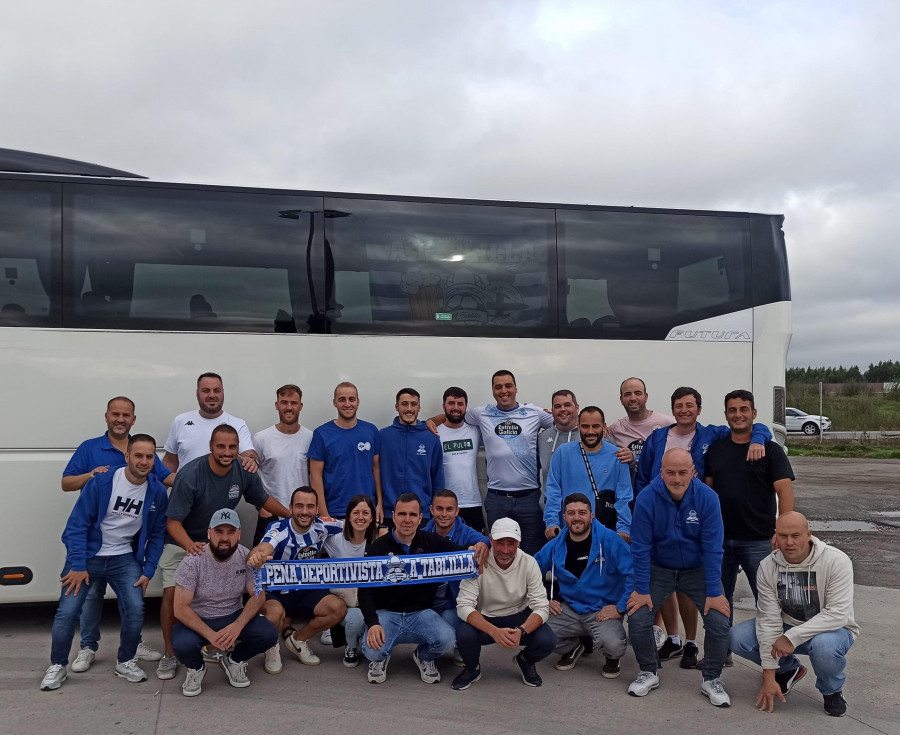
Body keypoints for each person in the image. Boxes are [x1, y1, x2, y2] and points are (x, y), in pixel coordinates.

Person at [634, 386, 771, 668]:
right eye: (679, 406)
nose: (684, 410)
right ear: (672, 410)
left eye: (690, 405)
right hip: (661, 513)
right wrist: (641, 507)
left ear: (699, 409)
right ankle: (673, 638)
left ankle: (693, 643)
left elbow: (750, 427)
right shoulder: (659, 436)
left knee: (694, 588)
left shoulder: (712, 434)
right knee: (662, 585)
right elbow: (644, 476)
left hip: (696, 521)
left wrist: (759, 438)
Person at [156, 424, 289, 681]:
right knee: (172, 596)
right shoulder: (190, 475)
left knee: (232, 592)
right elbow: (172, 522)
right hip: (183, 538)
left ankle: (224, 645)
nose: (227, 452)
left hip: (220, 538)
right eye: (221, 446)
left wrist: (291, 516)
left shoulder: (243, 470)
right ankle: (170, 654)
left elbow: (263, 500)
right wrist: (190, 546)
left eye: (232, 447)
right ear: (210, 447)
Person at [40, 435, 168, 691]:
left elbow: (156, 535)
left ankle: (126, 660)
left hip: (123, 558)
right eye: (138, 455)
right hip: (87, 557)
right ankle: (57, 666)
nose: (144, 461)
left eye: (149, 456)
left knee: (135, 608)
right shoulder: (102, 481)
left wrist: (149, 569)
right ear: (127, 456)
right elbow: (76, 525)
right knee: (67, 612)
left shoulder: (156, 491)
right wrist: (77, 564)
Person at [61, 397, 172, 671]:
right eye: (115, 414)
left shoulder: (143, 450)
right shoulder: (90, 448)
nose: (120, 419)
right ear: (107, 417)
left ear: (133, 419)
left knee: (131, 601)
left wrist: (197, 484)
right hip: (95, 543)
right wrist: (92, 476)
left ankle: (133, 646)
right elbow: (66, 483)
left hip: (127, 546)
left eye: (126, 415)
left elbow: (166, 478)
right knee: (91, 596)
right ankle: (88, 647)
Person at [626, 448, 732, 707]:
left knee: (720, 621)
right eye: (670, 472)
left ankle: (712, 678)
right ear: (661, 472)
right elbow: (640, 547)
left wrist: (714, 592)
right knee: (638, 617)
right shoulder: (647, 498)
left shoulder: (708, 498)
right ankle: (649, 671)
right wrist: (641, 588)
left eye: (682, 472)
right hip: (658, 568)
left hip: (697, 570)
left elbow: (713, 547)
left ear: (693, 472)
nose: (676, 479)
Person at [731, 512, 859, 718]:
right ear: (775, 536)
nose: (789, 542)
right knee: (738, 638)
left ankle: (832, 691)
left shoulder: (836, 560)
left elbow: (837, 614)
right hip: (787, 628)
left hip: (832, 630)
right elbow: (768, 619)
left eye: (796, 535)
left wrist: (791, 637)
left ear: (809, 534)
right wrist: (769, 675)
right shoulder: (767, 566)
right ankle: (788, 670)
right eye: (782, 536)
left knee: (824, 647)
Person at [359, 494, 488, 685]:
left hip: (421, 614)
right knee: (373, 651)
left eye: (412, 514)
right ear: (393, 516)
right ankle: (380, 658)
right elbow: (365, 590)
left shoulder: (432, 541)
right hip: (387, 613)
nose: (407, 519)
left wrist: (479, 545)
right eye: (402, 514)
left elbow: (460, 552)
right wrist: (373, 623)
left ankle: (423, 656)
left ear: (420, 518)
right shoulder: (377, 547)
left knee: (446, 640)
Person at [429, 370, 553, 555]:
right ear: (493, 391)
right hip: (497, 499)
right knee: (498, 554)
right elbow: (455, 413)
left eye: (508, 385)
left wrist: (600, 425)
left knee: (532, 555)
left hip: (529, 498)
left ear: (516, 388)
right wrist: (432, 420)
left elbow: (565, 421)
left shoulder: (534, 413)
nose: (504, 391)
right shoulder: (481, 414)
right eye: (498, 387)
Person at [704, 390, 795, 619]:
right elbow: (708, 492)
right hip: (720, 541)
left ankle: (774, 653)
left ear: (753, 413)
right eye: (732, 410)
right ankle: (721, 655)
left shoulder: (771, 451)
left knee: (768, 602)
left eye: (744, 409)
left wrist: (783, 531)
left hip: (760, 541)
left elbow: (784, 492)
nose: (738, 415)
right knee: (719, 604)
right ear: (726, 415)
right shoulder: (716, 450)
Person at [172, 508, 278, 697]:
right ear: (209, 533)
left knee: (268, 634)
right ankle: (196, 669)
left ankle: (234, 661)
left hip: (232, 614)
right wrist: (211, 636)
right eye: (219, 531)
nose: (225, 538)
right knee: (181, 644)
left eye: (231, 532)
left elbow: (258, 595)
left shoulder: (246, 556)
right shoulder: (193, 560)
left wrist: (237, 626)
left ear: (239, 534)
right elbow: (180, 608)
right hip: (201, 617)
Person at [247, 486, 347, 674]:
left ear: (317, 509)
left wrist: (379, 529)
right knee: (273, 615)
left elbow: (355, 523)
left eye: (310, 507)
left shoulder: (322, 525)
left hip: (306, 591)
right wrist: (256, 556)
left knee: (338, 608)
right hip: (276, 591)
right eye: (299, 506)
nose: (304, 512)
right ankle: (271, 647)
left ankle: (298, 639)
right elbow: (264, 546)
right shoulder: (278, 529)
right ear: (291, 508)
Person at [535, 493, 632, 678]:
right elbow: (530, 570)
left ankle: (612, 657)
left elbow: (634, 574)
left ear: (591, 515)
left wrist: (620, 608)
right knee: (537, 633)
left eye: (582, 512)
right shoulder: (556, 545)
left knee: (614, 644)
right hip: (569, 609)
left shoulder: (610, 540)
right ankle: (573, 647)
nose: (577, 517)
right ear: (564, 517)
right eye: (571, 513)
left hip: (601, 611)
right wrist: (543, 600)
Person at [453, 518, 555, 690]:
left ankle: (525, 660)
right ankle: (472, 668)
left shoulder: (529, 563)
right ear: (491, 540)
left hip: (518, 616)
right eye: (500, 543)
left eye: (511, 543)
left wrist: (521, 631)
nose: (505, 550)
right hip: (486, 616)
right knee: (464, 633)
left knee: (547, 640)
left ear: (519, 543)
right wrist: (494, 632)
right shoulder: (477, 561)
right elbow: (464, 606)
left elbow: (541, 606)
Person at [543, 406, 633, 542]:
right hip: (570, 533)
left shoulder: (618, 456)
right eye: (585, 426)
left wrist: (624, 529)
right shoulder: (562, 453)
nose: (590, 432)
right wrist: (552, 523)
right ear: (578, 426)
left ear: (604, 427)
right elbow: (553, 492)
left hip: (605, 533)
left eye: (596, 426)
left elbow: (624, 497)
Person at [308, 381, 383, 521]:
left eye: (351, 399)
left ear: (358, 402)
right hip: (335, 511)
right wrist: (324, 514)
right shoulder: (321, 434)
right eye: (342, 399)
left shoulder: (371, 431)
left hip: (367, 510)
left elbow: (376, 468)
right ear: (334, 402)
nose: (347, 404)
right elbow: (315, 476)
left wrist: (379, 504)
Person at [321, 495, 381, 668]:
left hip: (370, 600)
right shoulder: (335, 540)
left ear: (372, 518)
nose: (360, 517)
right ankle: (351, 645)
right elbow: (312, 531)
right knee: (356, 619)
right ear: (347, 517)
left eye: (365, 513)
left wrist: (382, 527)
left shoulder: (379, 541)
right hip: (344, 602)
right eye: (355, 513)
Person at [251, 384, 314, 546]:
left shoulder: (311, 437)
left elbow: (316, 476)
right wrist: (260, 505)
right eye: (284, 402)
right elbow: (249, 477)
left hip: (303, 516)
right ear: (277, 405)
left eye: (293, 403)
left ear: (301, 406)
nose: (289, 407)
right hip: (270, 517)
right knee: (262, 567)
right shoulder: (262, 438)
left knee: (303, 570)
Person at [423, 489, 490, 633]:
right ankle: (425, 652)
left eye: (449, 509)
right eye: (439, 509)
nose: (444, 514)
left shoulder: (465, 531)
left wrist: (483, 544)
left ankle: (459, 644)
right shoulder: (422, 534)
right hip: (426, 601)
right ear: (432, 510)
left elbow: (485, 540)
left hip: (453, 602)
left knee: (452, 627)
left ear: (457, 511)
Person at [162, 372, 258, 472]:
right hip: (187, 486)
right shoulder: (181, 421)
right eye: (206, 391)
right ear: (197, 393)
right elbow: (170, 462)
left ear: (223, 393)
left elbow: (249, 454)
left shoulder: (238, 424)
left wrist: (251, 460)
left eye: (217, 391)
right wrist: (162, 485)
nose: (212, 395)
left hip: (222, 486)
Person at [378, 388, 444, 522]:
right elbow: (375, 474)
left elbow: (438, 478)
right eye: (404, 404)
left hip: (421, 514)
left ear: (419, 407)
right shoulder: (382, 436)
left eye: (413, 404)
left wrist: (436, 510)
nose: (409, 408)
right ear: (397, 406)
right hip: (390, 513)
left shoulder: (431, 439)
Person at [437, 387, 484, 532]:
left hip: (472, 502)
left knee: (475, 551)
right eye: (451, 403)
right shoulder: (435, 432)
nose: (455, 408)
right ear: (444, 406)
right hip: (445, 506)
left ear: (466, 407)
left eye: (460, 404)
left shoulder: (475, 430)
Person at [605, 377, 675, 470]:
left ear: (646, 397)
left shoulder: (668, 423)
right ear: (621, 399)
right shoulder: (616, 428)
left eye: (638, 393)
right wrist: (601, 426)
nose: (633, 398)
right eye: (628, 394)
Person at [538, 390, 580, 489]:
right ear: (552, 411)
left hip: (581, 503)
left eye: (567, 405)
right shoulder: (541, 438)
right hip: (548, 503)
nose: (562, 409)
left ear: (577, 408)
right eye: (557, 406)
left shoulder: (590, 436)